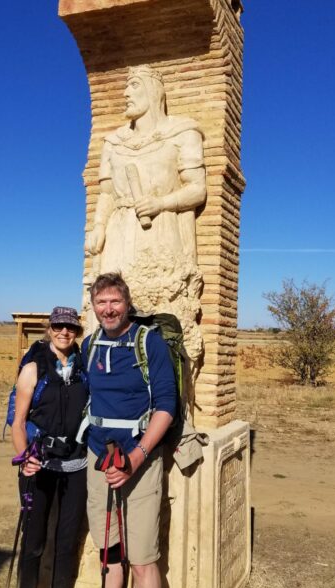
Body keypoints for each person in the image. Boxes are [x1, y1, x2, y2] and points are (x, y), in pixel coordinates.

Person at [85, 64, 206, 372]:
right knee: (111, 308)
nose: (126, 92)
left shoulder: (182, 132)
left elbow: (197, 190)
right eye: (126, 86)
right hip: (120, 234)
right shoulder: (113, 143)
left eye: (134, 85)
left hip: (161, 233)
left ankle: (167, 392)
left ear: (154, 91)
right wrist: (99, 227)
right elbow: (107, 194)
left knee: (162, 313)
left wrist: (160, 202)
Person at [81, 273, 176, 588]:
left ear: (127, 303)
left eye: (115, 301)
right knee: (109, 555)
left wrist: (136, 458)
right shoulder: (89, 345)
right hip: (99, 459)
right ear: (94, 306)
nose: (108, 309)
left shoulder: (149, 342)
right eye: (101, 302)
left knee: (142, 560)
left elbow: (166, 405)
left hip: (140, 460)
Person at [11, 306, 88, 588]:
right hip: (39, 465)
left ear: (77, 332)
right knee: (33, 541)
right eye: (58, 327)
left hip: (76, 465)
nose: (64, 332)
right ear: (49, 329)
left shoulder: (83, 368)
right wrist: (24, 457)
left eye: (70, 328)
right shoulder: (33, 369)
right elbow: (18, 422)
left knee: (66, 541)